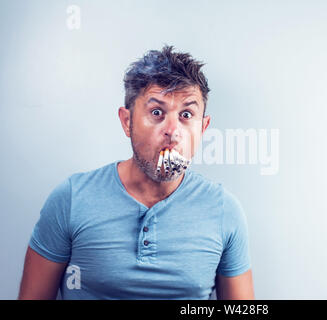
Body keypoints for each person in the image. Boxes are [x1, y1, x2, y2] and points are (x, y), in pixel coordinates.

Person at [18, 45, 254, 300]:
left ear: (203, 128)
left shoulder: (224, 211)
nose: (173, 131)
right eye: (156, 112)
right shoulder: (71, 199)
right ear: (127, 121)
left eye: (186, 115)